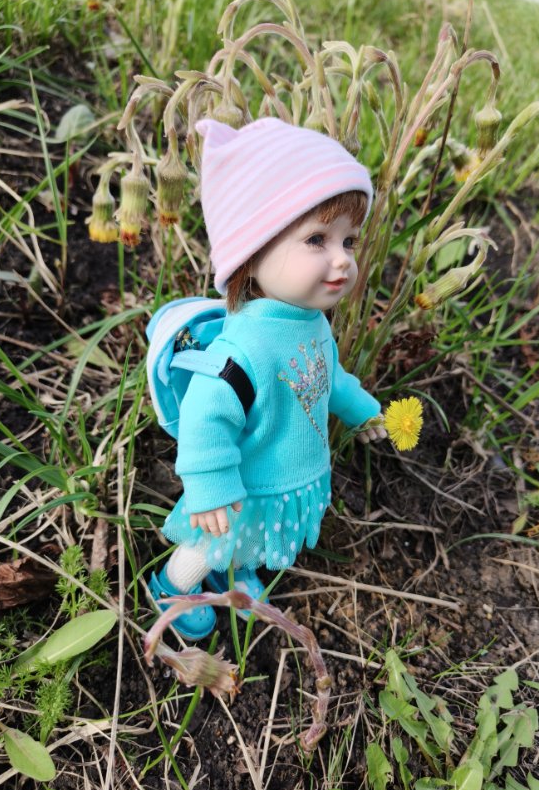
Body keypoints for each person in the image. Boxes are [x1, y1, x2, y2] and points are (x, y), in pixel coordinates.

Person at [149, 117, 386, 639]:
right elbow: (206, 414)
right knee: (205, 544)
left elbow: (326, 377)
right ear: (251, 254)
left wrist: (363, 411)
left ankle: (232, 573)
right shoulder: (246, 347)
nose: (342, 260)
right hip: (242, 484)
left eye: (349, 241)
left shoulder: (312, 323)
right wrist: (210, 485)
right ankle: (172, 588)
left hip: (284, 473)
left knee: (247, 542)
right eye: (317, 239)